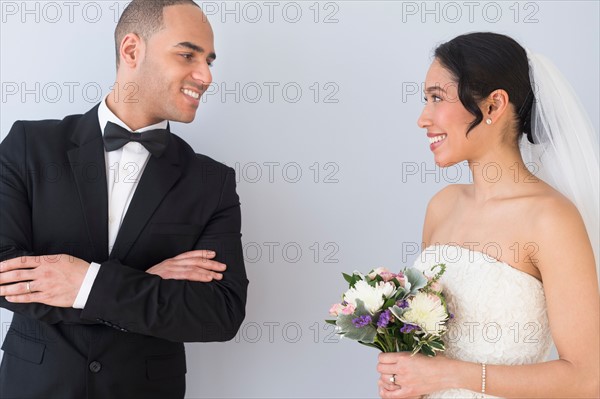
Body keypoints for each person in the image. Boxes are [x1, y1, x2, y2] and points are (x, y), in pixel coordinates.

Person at [0, 0, 248, 397]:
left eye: (209, 61)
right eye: (188, 54)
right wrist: (146, 283)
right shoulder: (29, 146)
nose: (205, 75)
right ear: (132, 50)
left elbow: (220, 313)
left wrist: (85, 282)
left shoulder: (211, 181)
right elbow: (5, 275)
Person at [376, 33, 599, 398]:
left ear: (494, 106)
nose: (422, 118)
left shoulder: (551, 220)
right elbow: (428, 344)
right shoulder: (441, 206)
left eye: (437, 98)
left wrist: (448, 375)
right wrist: (406, 376)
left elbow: (587, 379)